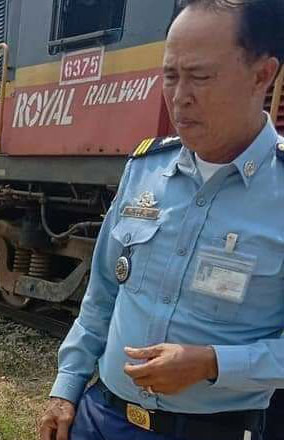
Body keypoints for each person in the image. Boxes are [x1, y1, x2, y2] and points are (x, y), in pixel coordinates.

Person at [39, 1, 283, 439]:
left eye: (200, 77)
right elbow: (102, 296)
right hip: (102, 419)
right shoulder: (145, 168)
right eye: (170, 75)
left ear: (262, 76)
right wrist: (66, 388)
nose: (179, 95)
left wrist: (212, 363)